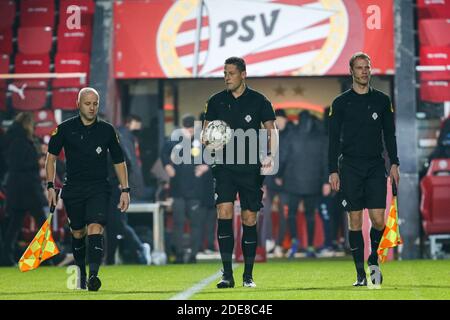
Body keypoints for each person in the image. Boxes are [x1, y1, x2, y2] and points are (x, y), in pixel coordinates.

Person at [202, 57, 277, 288]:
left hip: (250, 169)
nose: (227, 77)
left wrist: (269, 156)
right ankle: (226, 274)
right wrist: (209, 141)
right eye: (224, 73)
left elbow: (271, 131)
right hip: (223, 167)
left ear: (243, 74)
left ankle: (248, 275)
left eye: (231, 73)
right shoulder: (215, 101)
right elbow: (205, 134)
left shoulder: (259, 101)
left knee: (249, 218)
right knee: (223, 212)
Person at [45, 87, 130, 291]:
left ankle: (93, 276)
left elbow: (119, 161)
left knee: (95, 227)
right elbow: (51, 158)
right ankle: (81, 272)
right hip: (73, 188)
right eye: (87, 103)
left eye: (95, 104)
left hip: (99, 188)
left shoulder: (107, 130)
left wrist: (125, 189)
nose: (92, 108)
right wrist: (50, 186)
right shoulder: (64, 129)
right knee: (77, 233)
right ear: (78, 104)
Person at [328, 52, 400, 286]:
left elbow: (389, 134)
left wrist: (394, 163)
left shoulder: (382, 100)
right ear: (351, 71)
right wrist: (333, 170)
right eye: (359, 68)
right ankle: (360, 274)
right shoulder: (340, 103)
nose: (364, 71)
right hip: (349, 166)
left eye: (367, 67)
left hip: (375, 165)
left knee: (379, 220)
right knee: (355, 220)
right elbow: (332, 140)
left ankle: (373, 259)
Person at [280, 110, 328, 258]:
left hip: (292, 181)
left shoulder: (291, 136)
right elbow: (326, 161)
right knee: (310, 215)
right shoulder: (321, 137)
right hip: (313, 182)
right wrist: (325, 181)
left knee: (292, 213)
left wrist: (278, 174)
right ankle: (311, 246)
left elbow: (283, 156)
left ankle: (294, 241)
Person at [1, 112, 47, 266]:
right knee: (42, 223)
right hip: (27, 189)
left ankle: (6, 257)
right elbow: (18, 164)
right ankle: (47, 257)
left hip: (19, 189)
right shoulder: (20, 141)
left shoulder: (13, 138)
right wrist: (37, 162)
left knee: (15, 224)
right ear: (28, 124)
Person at [162, 114, 208, 264]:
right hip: (178, 190)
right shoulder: (174, 141)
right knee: (178, 223)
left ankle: (193, 255)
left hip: (195, 190)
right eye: (187, 128)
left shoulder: (201, 142)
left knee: (195, 224)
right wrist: (167, 166)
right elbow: (163, 153)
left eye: (191, 129)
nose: (189, 131)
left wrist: (205, 167)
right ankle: (180, 254)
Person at [261, 109, 291, 257]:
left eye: (281, 120)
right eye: (276, 120)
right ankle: (267, 241)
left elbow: (291, 160)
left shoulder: (291, 136)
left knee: (284, 214)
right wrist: (263, 183)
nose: (278, 123)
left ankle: (279, 243)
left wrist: (282, 175)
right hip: (270, 181)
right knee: (265, 212)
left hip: (286, 183)